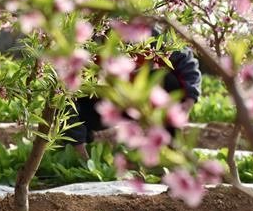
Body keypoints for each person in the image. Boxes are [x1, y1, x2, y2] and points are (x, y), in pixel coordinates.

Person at [65, 36, 203, 157]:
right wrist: (76, 142)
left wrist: (190, 99)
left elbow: (185, 60)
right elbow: (64, 96)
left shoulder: (146, 33)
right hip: (97, 105)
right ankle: (72, 145)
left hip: (133, 98)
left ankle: (170, 149)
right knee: (69, 102)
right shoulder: (82, 44)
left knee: (169, 81)